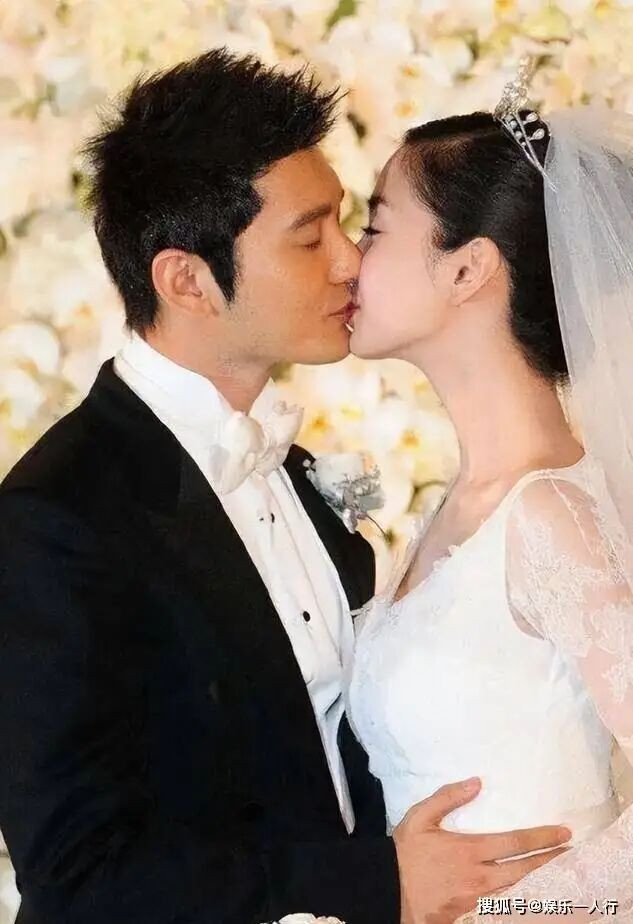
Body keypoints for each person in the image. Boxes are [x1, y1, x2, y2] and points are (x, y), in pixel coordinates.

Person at [0, 50, 569, 924]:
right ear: (187, 280)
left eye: (348, 222)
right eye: (310, 237)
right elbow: (80, 878)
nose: (348, 262)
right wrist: (376, 882)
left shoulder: (299, 473)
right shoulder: (56, 516)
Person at [345, 59, 633, 922]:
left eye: (374, 227)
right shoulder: (458, 506)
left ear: (467, 269)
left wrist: (502, 913)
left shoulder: (548, 517)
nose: (349, 260)